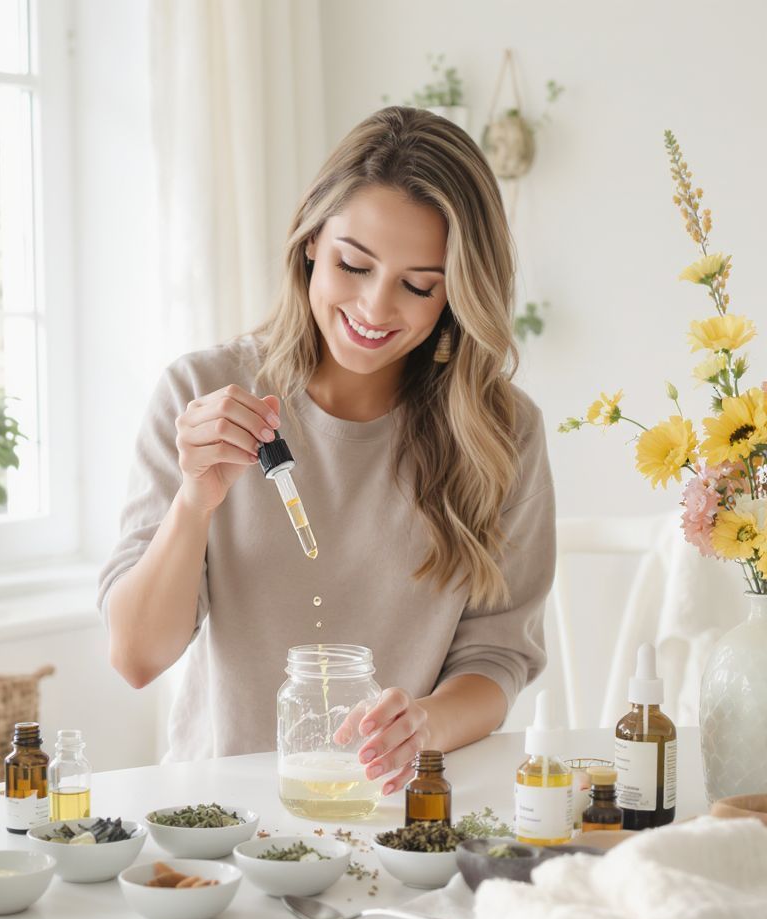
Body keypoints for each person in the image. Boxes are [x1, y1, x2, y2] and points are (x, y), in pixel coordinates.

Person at [98, 106, 555, 797]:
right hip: (219, 821)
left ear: (454, 296)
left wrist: (422, 724)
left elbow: (497, 658)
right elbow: (136, 657)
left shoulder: (499, 432)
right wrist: (196, 500)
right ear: (312, 240)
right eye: (354, 264)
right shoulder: (201, 394)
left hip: (400, 812)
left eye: (418, 285)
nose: (375, 308)